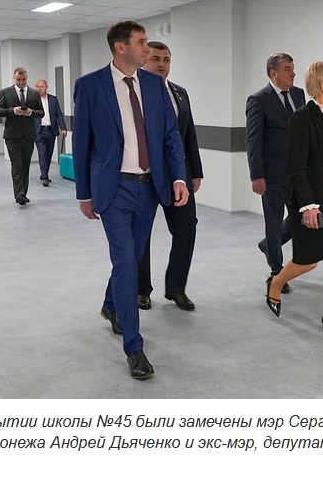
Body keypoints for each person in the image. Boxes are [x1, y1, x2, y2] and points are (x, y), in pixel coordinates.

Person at [73, 21, 189, 379]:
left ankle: (111, 304)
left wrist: (179, 176)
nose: (147, 49)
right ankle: (134, 348)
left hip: (150, 187)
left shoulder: (154, 85)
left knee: (134, 255)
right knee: (125, 261)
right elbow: (82, 142)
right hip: (114, 189)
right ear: (120, 47)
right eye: (141, 43)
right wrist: (84, 193)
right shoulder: (90, 86)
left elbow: (170, 136)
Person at [267, 61, 323, 339]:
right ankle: (276, 283)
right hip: (310, 201)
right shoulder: (302, 118)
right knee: (307, 262)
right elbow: (296, 167)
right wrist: (308, 205)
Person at [136, 41, 204, 312]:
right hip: (144, 176)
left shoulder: (179, 93)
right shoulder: (133, 93)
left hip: (178, 176)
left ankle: (176, 287)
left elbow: (189, 135)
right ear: (144, 61)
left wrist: (194, 173)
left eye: (166, 59)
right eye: (155, 59)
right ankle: (141, 289)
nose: (161, 64)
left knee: (187, 228)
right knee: (141, 234)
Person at [246, 53, 305, 295]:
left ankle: (268, 245)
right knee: (273, 220)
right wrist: (256, 175)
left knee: (300, 219)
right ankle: (276, 271)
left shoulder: (299, 95)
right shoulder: (258, 100)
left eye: (293, 68)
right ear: (274, 73)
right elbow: (253, 140)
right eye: (288, 69)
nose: (293, 73)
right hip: (271, 175)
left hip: (298, 172)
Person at [0, 68, 45, 205]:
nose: (21, 82)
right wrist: (13, 111)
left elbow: (41, 112)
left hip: (28, 135)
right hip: (12, 135)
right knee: (16, 164)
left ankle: (23, 193)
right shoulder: (5, 92)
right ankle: (19, 194)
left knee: (25, 165)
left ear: (27, 77)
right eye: (18, 80)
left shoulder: (34, 93)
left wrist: (31, 113)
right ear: (14, 78)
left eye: (23, 79)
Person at [33, 79, 67, 186]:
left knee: (48, 154)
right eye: (38, 87)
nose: (40, 89)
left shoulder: (53, 99)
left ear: (46, 87)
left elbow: (59, 114)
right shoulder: (33, 100)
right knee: (42, 153)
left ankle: (44, 173)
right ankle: (45, 177)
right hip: (39, 131)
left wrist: (63, 128)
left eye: (42, 87)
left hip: (51, 130)